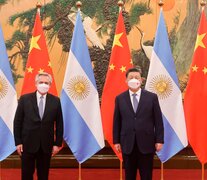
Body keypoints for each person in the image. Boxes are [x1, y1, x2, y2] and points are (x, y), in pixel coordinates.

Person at [113, 67, 164, 180]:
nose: (134, 79)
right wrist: (116, 141)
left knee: (146, 175)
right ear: (126, 81)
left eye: (136, 77)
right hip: (127, 143)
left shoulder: (152, 97)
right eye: (131, 78)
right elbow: (117, 121)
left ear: (142, 80)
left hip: (147, 143)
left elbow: (158, 120)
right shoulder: (120, 98)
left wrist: (159, 140)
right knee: (129, 176)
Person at [14, 72, 63, 180]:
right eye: (41, 82)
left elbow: (60, 124)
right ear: (36, 83)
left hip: (46, 145)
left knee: (43, 175)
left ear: (50, 85)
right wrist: (18, 142)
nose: (43, 85)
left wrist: (57, 144)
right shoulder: (24, 99)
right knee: (26, 175)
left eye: (46, 83)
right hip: (27, 144)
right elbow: (17, 122)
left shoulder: (56, 101)